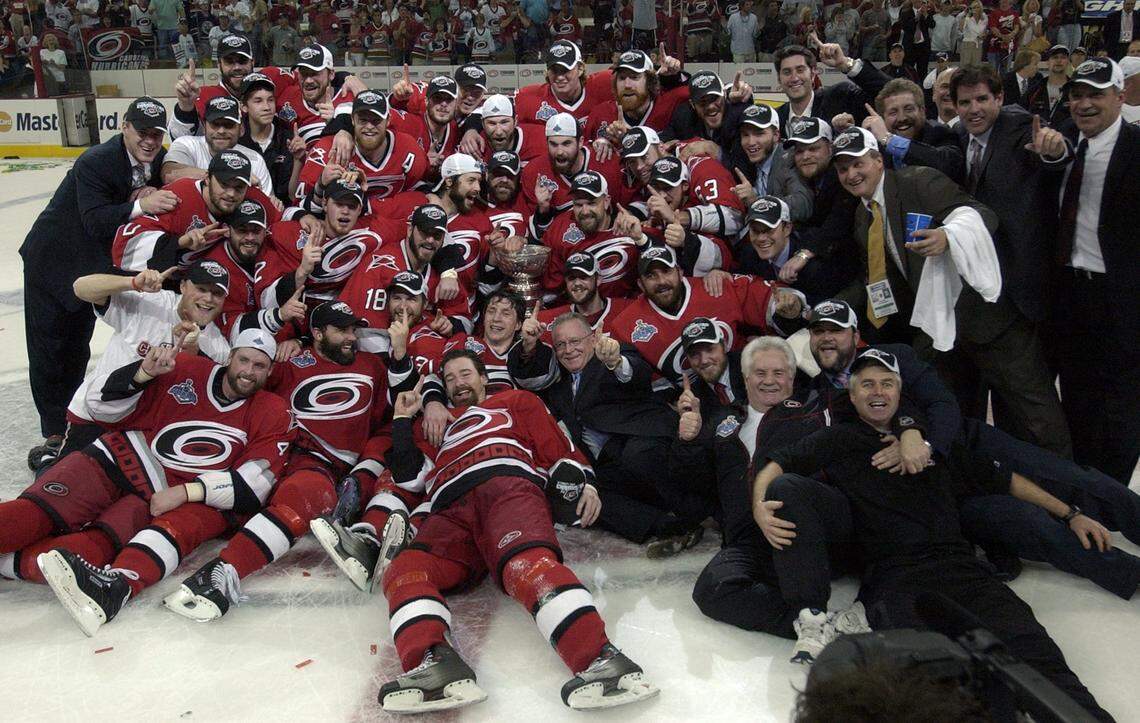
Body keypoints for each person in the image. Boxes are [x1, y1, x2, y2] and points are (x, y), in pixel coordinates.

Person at [755, 349, 1113, 720]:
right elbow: (777, 462)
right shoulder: (838, 440)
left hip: (964, 571)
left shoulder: (934, 445)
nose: (878, 391)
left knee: (1038, 658)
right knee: (940, 684)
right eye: (867, 384)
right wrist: (759, 506)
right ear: (853, 393)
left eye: (886, 383)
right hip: (897, 579)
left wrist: (1071, 514)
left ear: (899, 391)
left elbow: (1005, 480)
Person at [374, 349, 658, 712]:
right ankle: (434, 662)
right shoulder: (437, 425)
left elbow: (559, 449)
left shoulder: (516, 401)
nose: (458, 383)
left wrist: (583, 482)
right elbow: (411, 477)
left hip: (506, 486)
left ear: (483, 378)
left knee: (524, 565)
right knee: (405, 569)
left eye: (465, 374)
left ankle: (602, 660)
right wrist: (401, 419)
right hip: (450, 512)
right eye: (450, 379)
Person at [30, 330, 292, 637]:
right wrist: (141, 374)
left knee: (149, 530)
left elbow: (254, 486)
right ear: (230, 357)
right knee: (39, 511)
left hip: (191, 495)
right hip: (129, 460)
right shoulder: (184, 368)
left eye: (259, 365)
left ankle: (116, 587)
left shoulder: (274, 409)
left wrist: (186, 492)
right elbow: (99, 405)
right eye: (244, 360)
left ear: (270, 370)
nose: (248, 371)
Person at [164, 301, 390, 621]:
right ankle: (138, 569)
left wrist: (364, 474)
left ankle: (223, 570)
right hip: (274, 452)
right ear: (317, 333)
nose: (351, 337)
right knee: (206, 512)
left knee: (303, 498)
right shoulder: (291, 362)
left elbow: (383, 426)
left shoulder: (373, 368)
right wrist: (192, 353)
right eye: (341, 330)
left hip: (320, 464)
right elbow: (236, 380)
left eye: (354, 329)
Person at [20, 97, 173, 473]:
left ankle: (71, 420)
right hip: (52, 262)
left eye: (156, 134)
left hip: (91, 268)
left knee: (77, 348)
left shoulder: (157, 159)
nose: (149, 141)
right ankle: (55, 434)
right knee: (50, 349)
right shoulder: (97, 161)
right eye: (142, 132)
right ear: (124, 126)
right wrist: (142, 205)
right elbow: (95, 221)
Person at [950, 64, 1073, 456]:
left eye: (983, 99)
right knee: (1006, 412)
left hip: (1020, 293)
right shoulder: (958, 138)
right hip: (980, 300)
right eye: (965, 102)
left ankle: (1073, 495)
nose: (974, 109)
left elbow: (1052, 152)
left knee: (1036, 410)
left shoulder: (1020, 128)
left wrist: (1055, 151)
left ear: (1000, 99)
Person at [510, 311, 707, 554]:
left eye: (575, 341)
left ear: (593, 339)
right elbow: (526, 376)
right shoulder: (558, 385)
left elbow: (636, 373)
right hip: (608, 465)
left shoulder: (610, 356)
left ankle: (692, 512)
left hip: (647, 441)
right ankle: (667, 527)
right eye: (560, 344)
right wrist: (528, 347)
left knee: (637, 453)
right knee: (576, 491)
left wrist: (615, 362)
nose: (568, 350)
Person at [1052, 57, 1140, 485]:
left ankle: (1113, 492)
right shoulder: (1063, 145)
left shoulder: (1137, 149)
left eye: (1096, 95)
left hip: (1122, 296)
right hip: (1071, 292)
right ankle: (1086, 484)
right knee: (1077, 396)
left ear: (1120, 97)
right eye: (1077, 95)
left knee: (1122, 401)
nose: (1084, 104)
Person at [59, 260, 233, 459]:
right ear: (183, 286)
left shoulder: (218, 347)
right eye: (201, 289)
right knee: (61, 483)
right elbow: (81, 288)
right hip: (96, 416)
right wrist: (133, 283)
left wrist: (194, 352)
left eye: (217, 293)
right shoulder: (149, 302)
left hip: (145, 433)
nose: (208, 298)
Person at [162, 95, 276, 199]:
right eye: (215, 124)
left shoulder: (254, 159)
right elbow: (168, 175)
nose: (221, 131)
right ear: (204, 126)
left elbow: (266, 202)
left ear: (241, 129)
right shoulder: (187, 144)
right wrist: (234, 176)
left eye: (228, 125)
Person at [774, 42, 889, 136]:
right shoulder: (774, 118)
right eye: (787, 72)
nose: (794, 78)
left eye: (800, 70)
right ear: (779, 79)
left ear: (813, 74)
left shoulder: (840, 97)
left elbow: (891, 94)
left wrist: (845, 63)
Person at [1025, 45, 1074, 127]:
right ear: (1047, 62)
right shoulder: (1035, 90)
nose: (1059, 60)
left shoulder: (1076, 91)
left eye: (1063, 57)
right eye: (1055, 57)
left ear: (1068, 62)